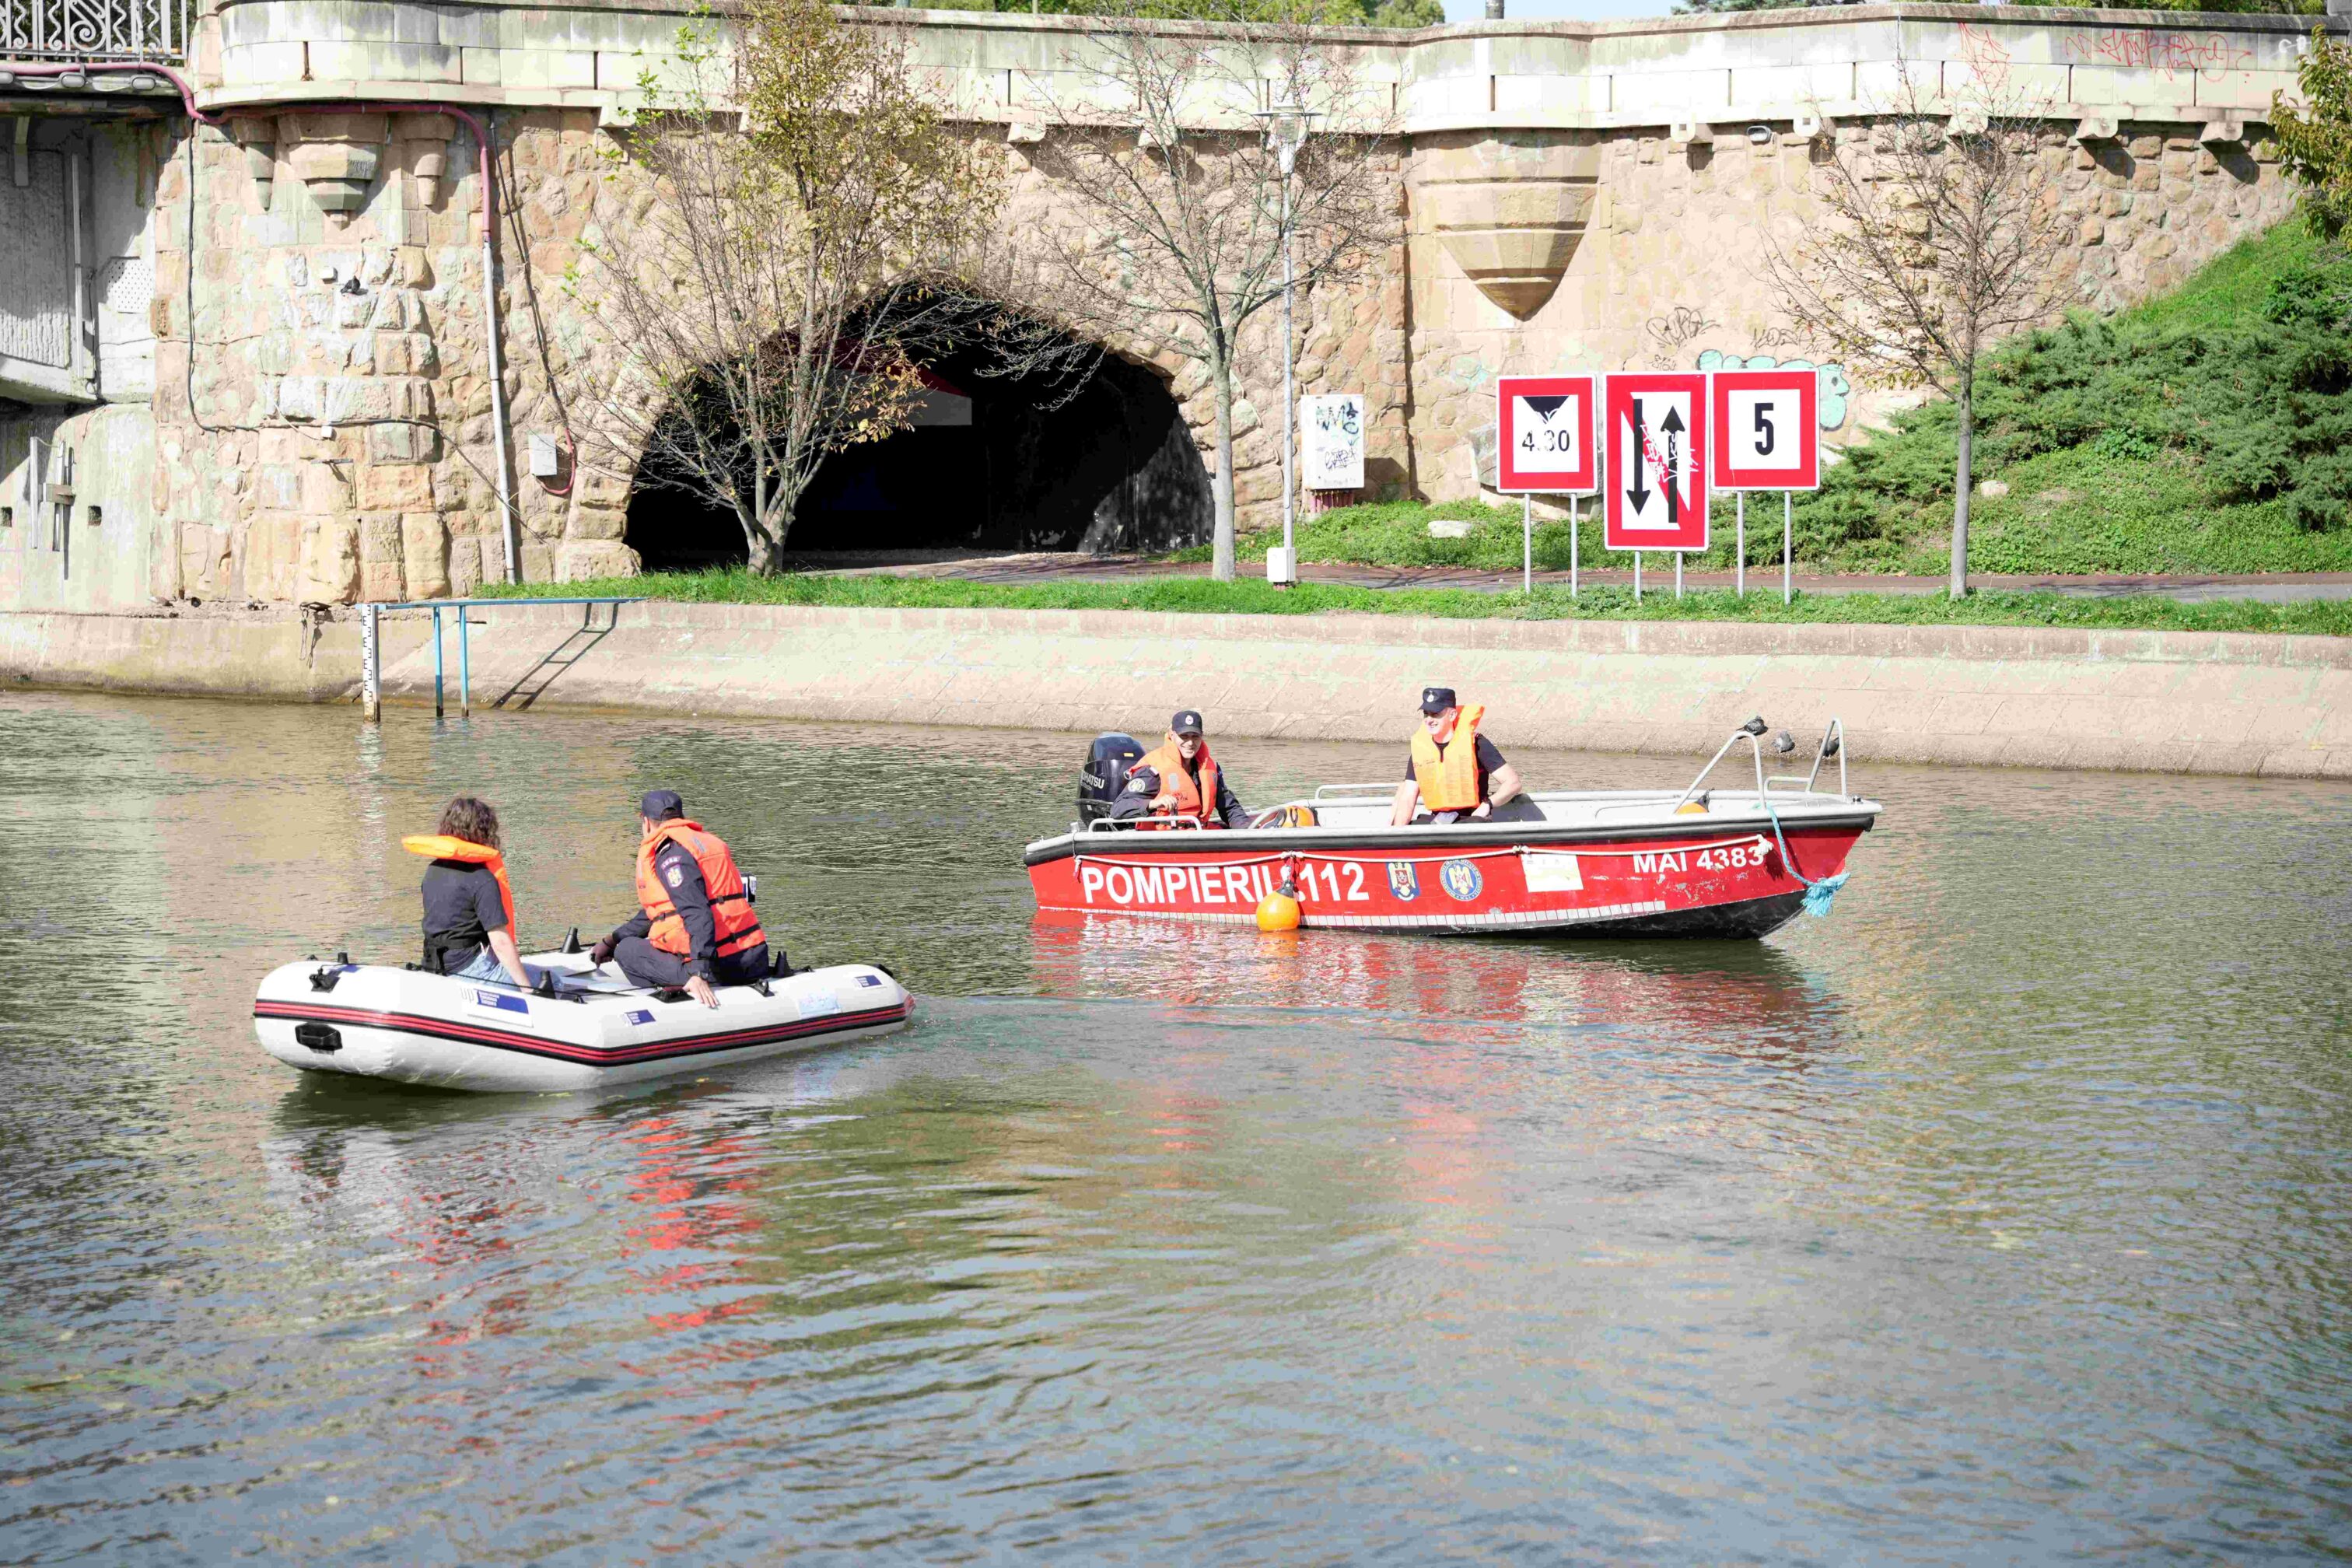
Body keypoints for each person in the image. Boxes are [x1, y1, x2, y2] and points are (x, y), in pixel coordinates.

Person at [589, 789, 774, 1007]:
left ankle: (674, 1002)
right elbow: (664, 913)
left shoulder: (670, 855)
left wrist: (699, 972)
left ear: (646, 822)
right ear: (681, 818)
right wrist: (612, 940)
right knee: (624, 942)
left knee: (627, 950)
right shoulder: (706, 843)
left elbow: (696, 912)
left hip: (719, 968)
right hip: (754, 958)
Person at [405, 796, 556, 988]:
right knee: (554, 981)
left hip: (434, 966)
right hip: (469, 971)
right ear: (484, 831)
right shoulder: (481, 878)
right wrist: (528, 990)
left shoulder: (433, 870)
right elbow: (500, 943)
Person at [1390, 688, 1536, 826]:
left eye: (1436, 714)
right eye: (1426, 714)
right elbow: (1408, 798)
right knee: (1409, 826)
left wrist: (1487, 806)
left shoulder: (1477, 744)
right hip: (1436, 821)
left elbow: (1513, 783)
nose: (1429, 720)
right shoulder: (1421, 749)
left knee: (1475, 824)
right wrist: (1396, 835)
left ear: (1452, 715)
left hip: (1471, 820)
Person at [1132, 709, 1248, 828]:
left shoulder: (1209, 768)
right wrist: (1153, 804)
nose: (1190, 743)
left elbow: (1229, 807)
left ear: (1202, 736)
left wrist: (1247, 829)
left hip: (1199, 832)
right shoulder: (1153, 768)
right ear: (1172, 735)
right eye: (1184, 736)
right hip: (1165, 836)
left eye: (1195, 737)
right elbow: (1120, 807)